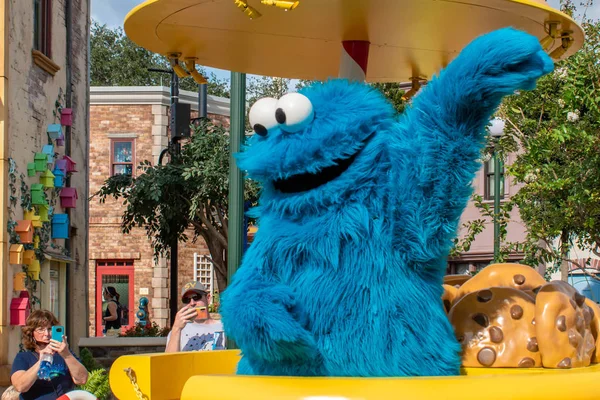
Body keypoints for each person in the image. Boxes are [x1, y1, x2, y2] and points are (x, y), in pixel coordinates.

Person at [10, 310, 88, 400]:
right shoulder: (23, 357)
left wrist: (66, 354)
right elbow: (20, 386)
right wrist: (41, 361)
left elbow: (82, 379)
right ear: (31, 333)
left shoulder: (65, 355)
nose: (46, 334)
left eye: (50, 329)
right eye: (40, 330)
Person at [165, 281, 226, 352]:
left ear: (208, 298)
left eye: (196, 297)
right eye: (187, 300)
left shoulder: (223, 327)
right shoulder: (178, 331)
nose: (192, 303)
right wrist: (176, 328)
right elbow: (169, 361)